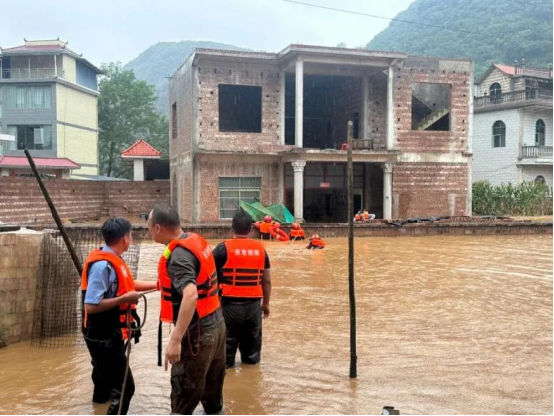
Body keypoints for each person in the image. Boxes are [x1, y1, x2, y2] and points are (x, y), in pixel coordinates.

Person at [148, 204, 225, 415]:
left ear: (157, 228)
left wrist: (175, 340)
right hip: (217, 326)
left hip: (198, 335)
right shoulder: (195, 240)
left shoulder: (179, 255)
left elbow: (191, 294)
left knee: (183, 400)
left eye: (148, 226)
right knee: (213, 400)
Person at [81, 217, 157, 415]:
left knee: (102, 378)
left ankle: (98, 405)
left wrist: (157, 285)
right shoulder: (102, 266)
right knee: (125, 388)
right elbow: (90, 306)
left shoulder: (113, 260)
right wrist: (124, 298)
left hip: (106, 333)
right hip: (102, 337)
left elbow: (129, 285)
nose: (130, 239)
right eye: (130, 235)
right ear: (125, 238)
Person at [212, 210, 272, 368]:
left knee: (225, 357)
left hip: (229, 307)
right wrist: (265, 304)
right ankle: (250, 385)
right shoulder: (261, 250)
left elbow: (207, 275)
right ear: (251, 229)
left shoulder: (222, 249)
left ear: (232, 228)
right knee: (252, 358)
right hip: (254, 308)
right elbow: (267, 281)